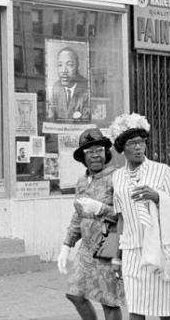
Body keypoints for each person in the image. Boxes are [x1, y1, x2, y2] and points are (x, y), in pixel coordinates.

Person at [109, 113, 170, 320]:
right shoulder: (117, 177)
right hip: (132, 252)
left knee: (166, 311)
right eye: (132, 143)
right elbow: (121, 217)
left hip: (159, 250)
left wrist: (158, 197)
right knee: (136, 311)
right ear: (122, 147)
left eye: (141, 142)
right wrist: (117, 256)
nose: (138, 147)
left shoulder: (162, 171)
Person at [57, 128, 124, 320]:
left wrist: (102, 209)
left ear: (106, 153)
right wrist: (66, 245)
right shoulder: (81, 182)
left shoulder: (117, 178)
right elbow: (78, 216)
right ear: (83, 158)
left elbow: (125, 217)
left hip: (108, 245)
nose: (95, 156)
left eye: (99, 150)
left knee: (109, 301)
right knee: (74, 294)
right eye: (89, 152)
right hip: (86, 249)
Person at [47, 47, 90, 122]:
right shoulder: (56, 87)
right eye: (60, 65)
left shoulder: (87, 88)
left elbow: (87, 121)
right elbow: (51, 117)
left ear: (77, 66)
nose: (64, 70)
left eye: (69, 65)